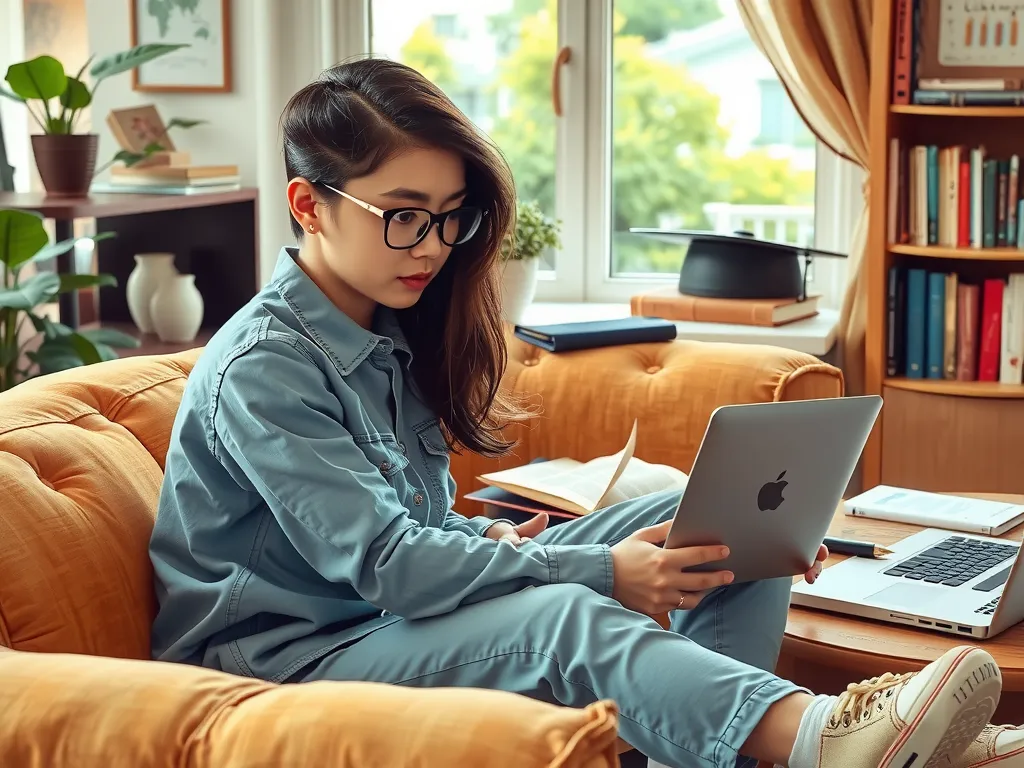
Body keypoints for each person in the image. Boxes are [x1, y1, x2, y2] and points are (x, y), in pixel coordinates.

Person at [148, 58, 1022, 768]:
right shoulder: (266, 368)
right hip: (287, 662)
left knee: (704, 523)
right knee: (564, 617)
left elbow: (411, 523)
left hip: (380, 618)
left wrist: (513, 545)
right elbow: (388, 565)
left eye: (450, 219)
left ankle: (770, 744)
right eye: (404, 218)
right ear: (310, 205)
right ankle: (815, 740)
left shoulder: (386, 327)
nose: (433, 249)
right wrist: (596, 570)